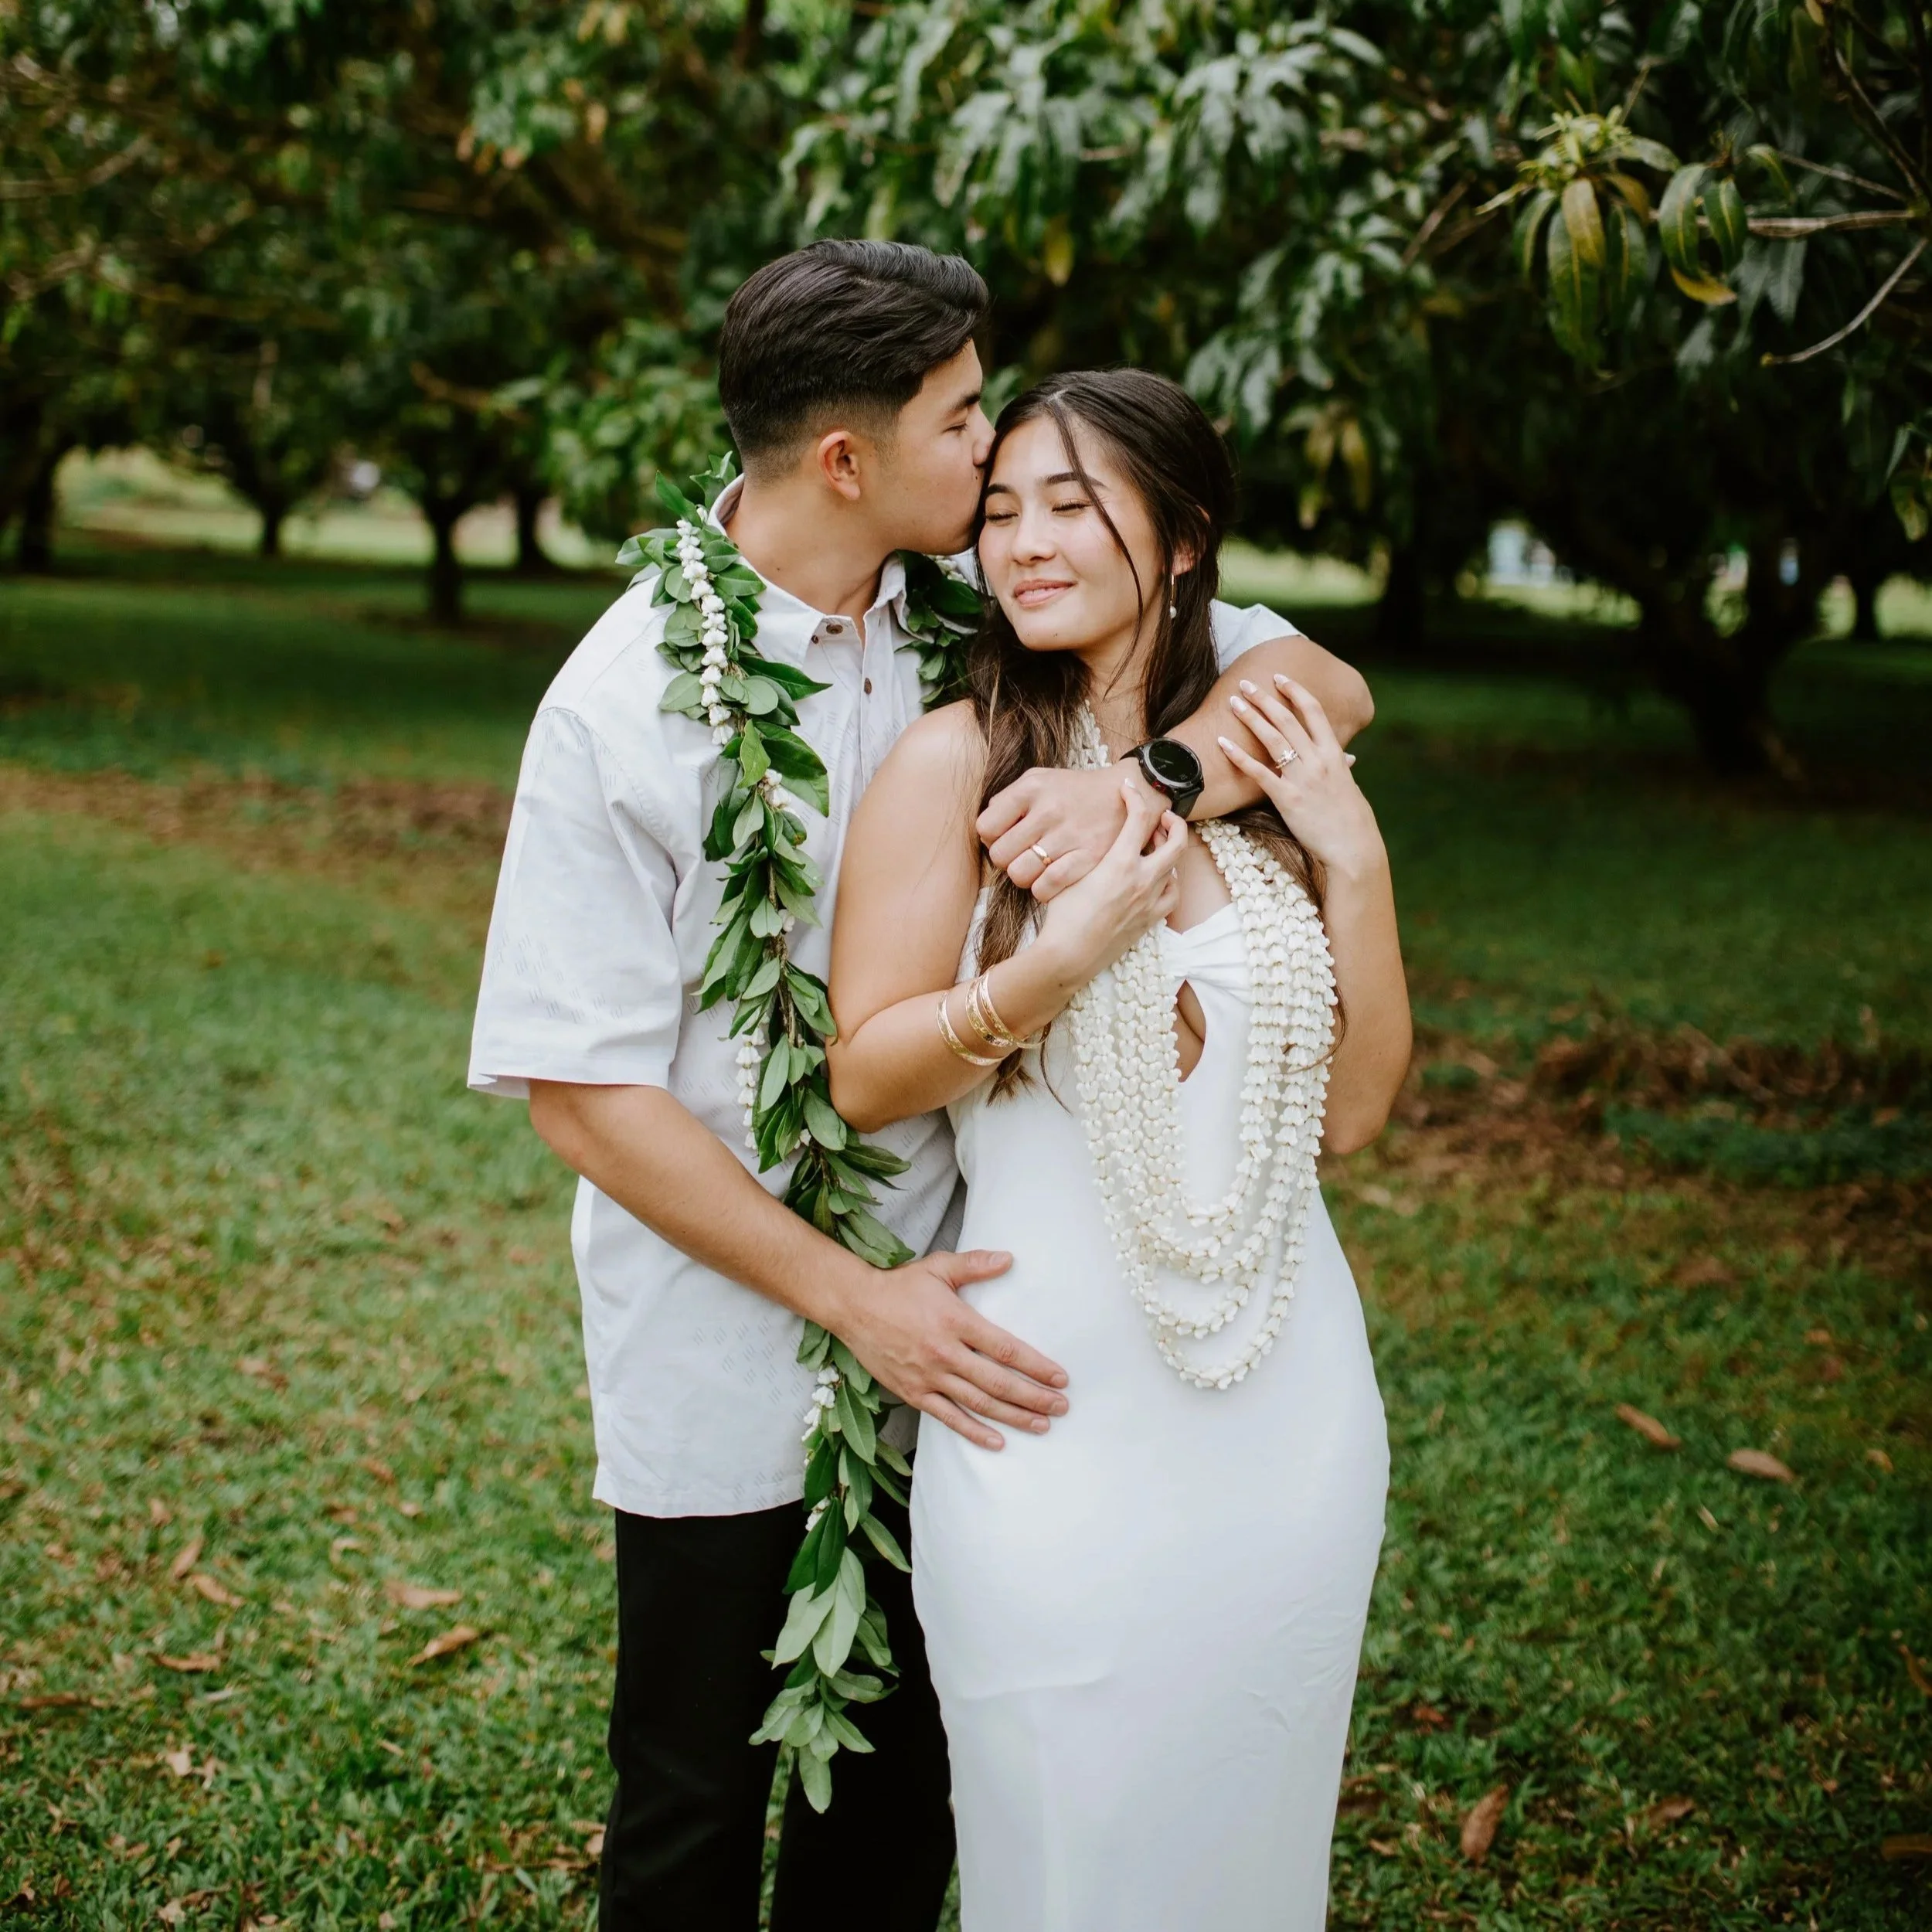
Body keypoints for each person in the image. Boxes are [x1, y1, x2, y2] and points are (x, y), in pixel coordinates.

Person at [468, 242, 1374, 1931]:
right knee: (689, 1789)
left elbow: (1320, 683)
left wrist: (1144, 785)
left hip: (983, 1338)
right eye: (965, 419)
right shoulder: (620, 705)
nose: (996, 457)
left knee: (894, 1810)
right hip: (729, 1334)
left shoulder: (977, 601)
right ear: (846, 458)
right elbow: (580, 1097)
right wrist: (851, 1299)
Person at [825, 369, 1411, 1931]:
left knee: (1251, 1850)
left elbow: (1350, 1115)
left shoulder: (1254, 745)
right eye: (998, 506)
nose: (1018, 540)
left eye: (1070, 504)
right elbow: (866, 1068)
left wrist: (1348, 856)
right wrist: (1047, 964)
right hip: (1045, 1419)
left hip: (1284, 1414)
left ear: (1183, 540)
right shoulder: (955, 763)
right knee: (1064, 1857)